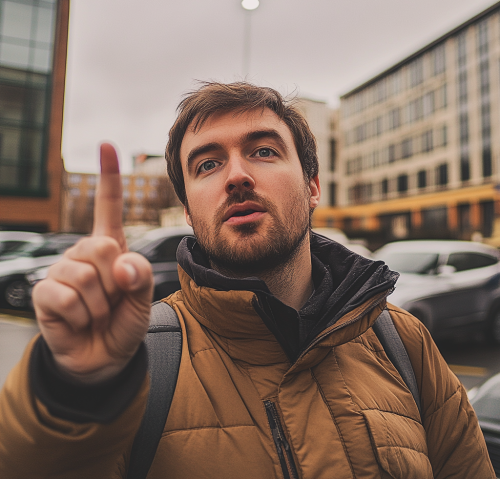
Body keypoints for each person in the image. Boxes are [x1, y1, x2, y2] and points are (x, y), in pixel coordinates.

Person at [0, 82, 494, 479]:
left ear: (312, 184)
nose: (236, 175)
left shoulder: (404, 342)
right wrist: (71, 391)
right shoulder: (138, 361)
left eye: (262, 151)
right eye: (208, 164)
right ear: (189, 211)